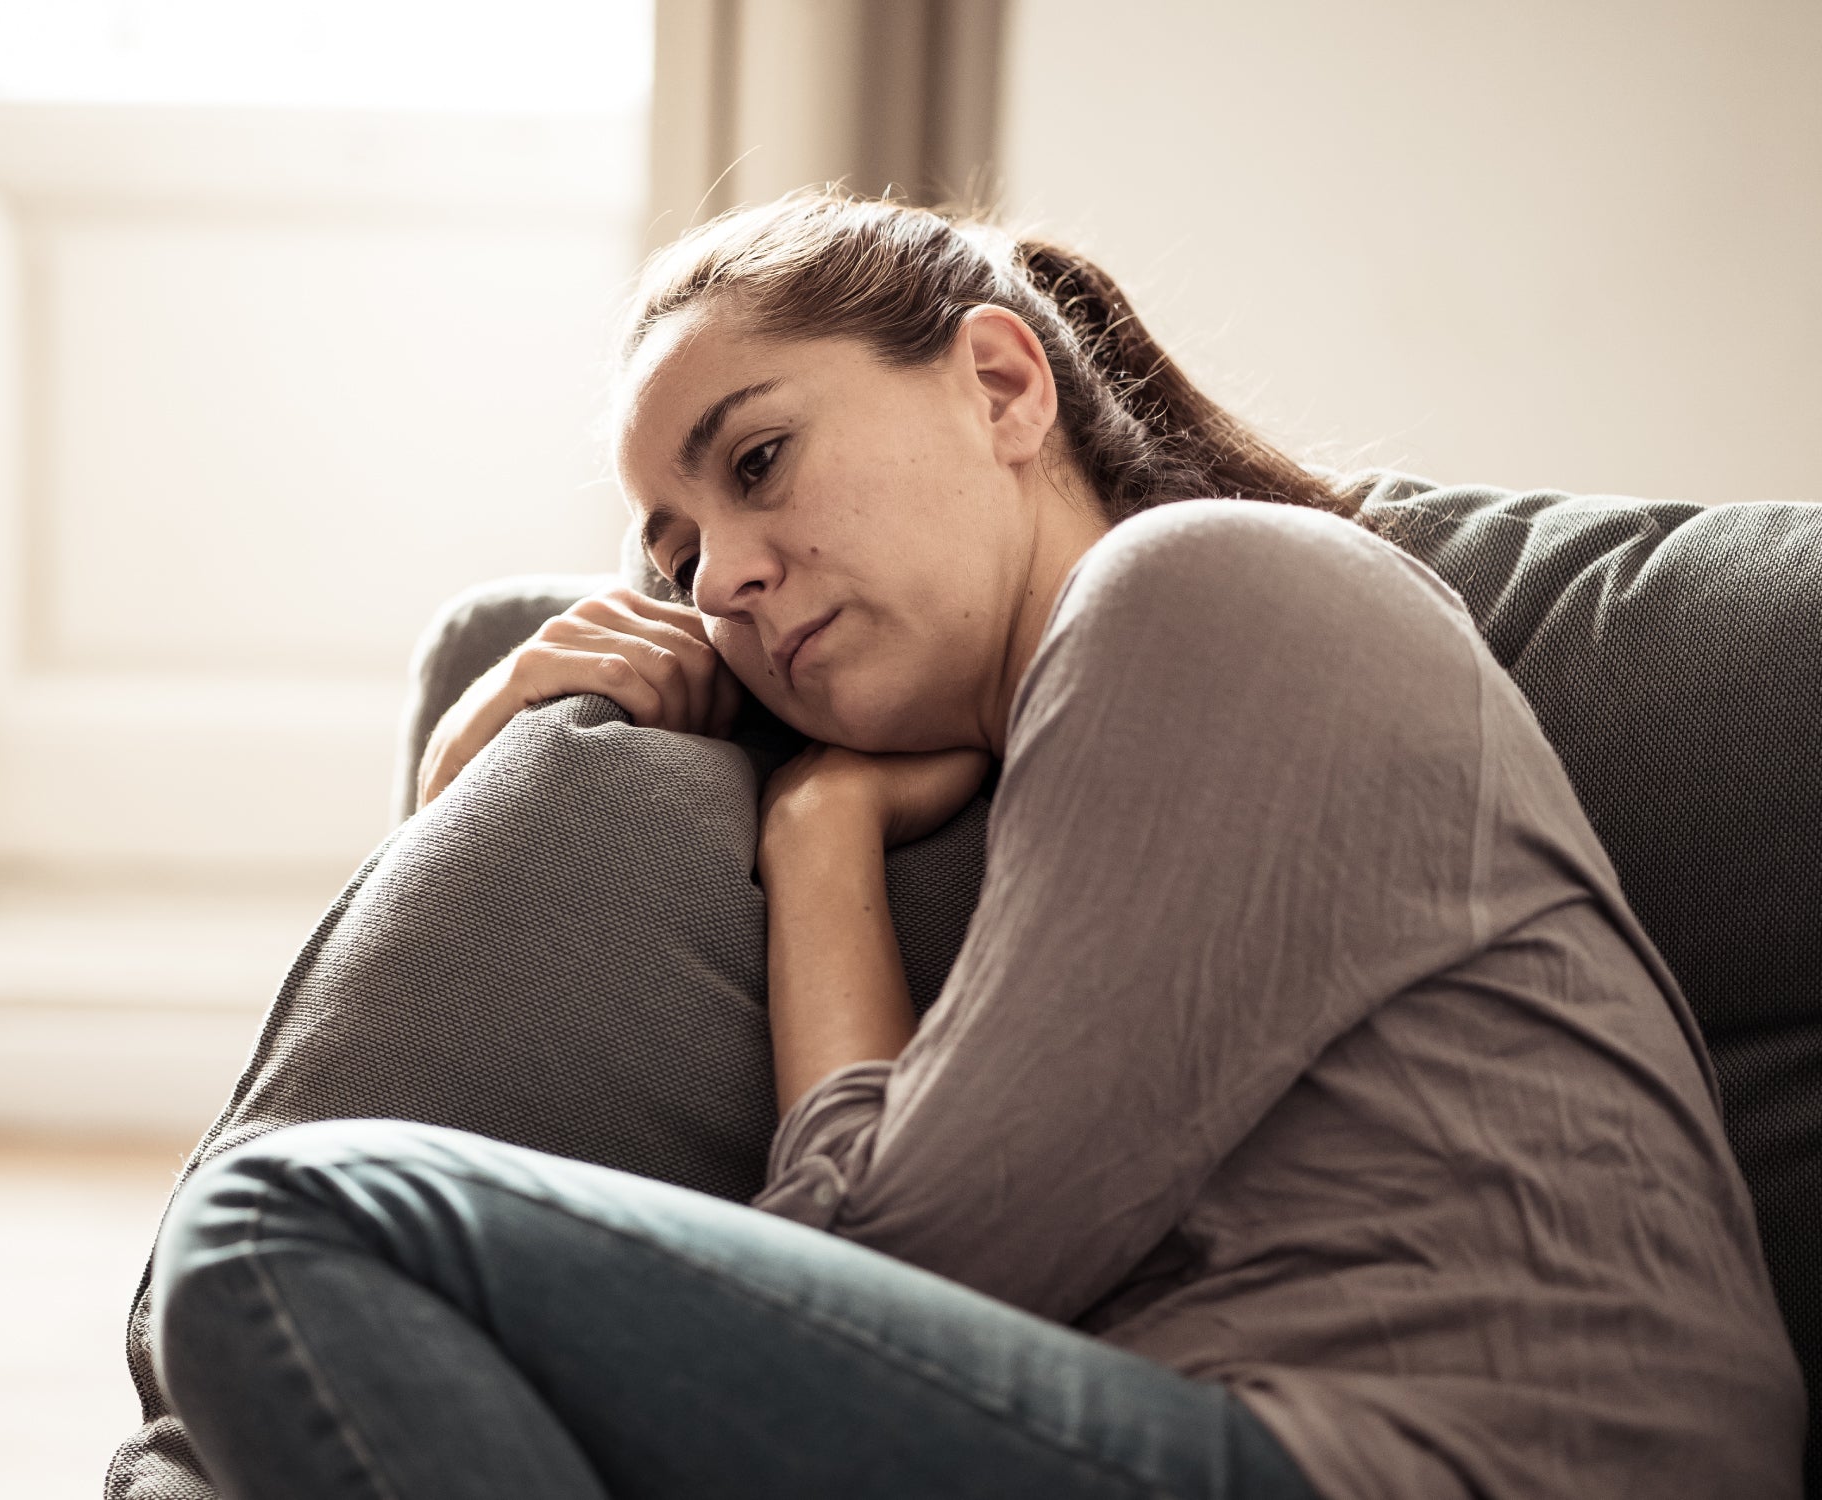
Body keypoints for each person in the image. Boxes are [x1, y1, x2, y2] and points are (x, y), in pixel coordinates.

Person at [144, 189, 1806, 1500]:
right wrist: (455, 798)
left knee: (283, 1222)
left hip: (1444, 1459)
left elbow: (883, 1255)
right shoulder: (1070, 749)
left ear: (1003, 382)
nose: (717, 577)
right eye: (677, 553)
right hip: (1217, 1426)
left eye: (760, 459)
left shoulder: (1211, 593)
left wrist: (816, 844)